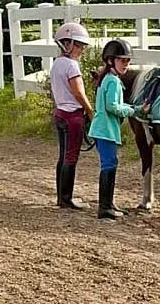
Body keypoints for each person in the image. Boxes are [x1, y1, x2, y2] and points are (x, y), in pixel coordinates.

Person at [88, 38, 150, 219]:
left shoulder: (106, 78)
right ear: (110, 61)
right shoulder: (113, 81)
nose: (126, 64)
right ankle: (105, 207)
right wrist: (135, 110)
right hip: (106, 130)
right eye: (122, 60)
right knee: (109, 165)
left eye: (128, 61)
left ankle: (108, 203)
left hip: (103, 129)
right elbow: (113, 107)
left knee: (110, 164)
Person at [50, 21, 95, 210]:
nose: (81, 49)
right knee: (71, 157)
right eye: (78, 45)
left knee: (63, 156)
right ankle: (67, 198)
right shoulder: (71, 66)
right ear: (66, 44)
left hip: (60, 112)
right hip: (72, 115)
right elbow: (78, 92)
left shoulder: (57, 64)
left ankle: (62, 196)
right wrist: (90, 110)